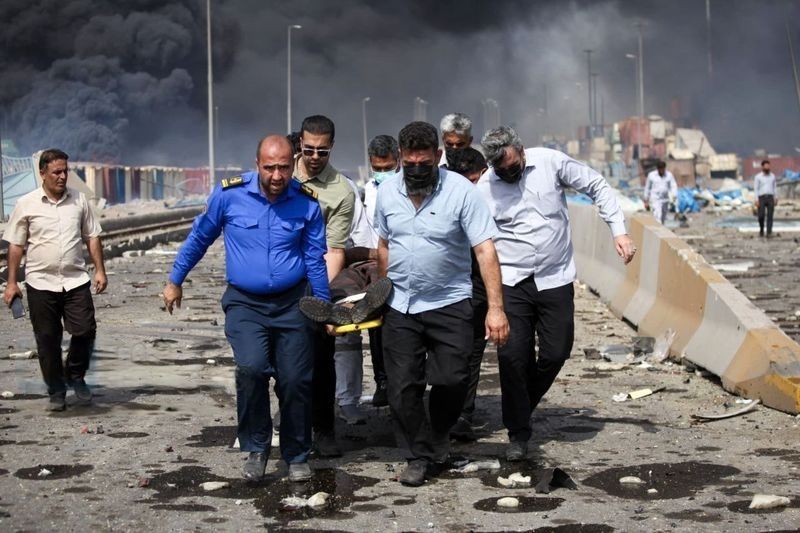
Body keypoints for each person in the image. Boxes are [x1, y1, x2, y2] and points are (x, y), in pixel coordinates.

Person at [162, 135, 329, 483]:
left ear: (293, 164)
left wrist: (324, 308)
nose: (277, 176)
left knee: (295, 380)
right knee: (252, 369)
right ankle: (256, 448)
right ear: (257, 165)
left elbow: (315, 259)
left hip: (293, 303)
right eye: (269, 168)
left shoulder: (307, 203)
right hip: (245, 303)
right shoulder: (229, 195)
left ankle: (297, 454)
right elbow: (199, 237)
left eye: (284, 167)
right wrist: (175, 279)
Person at [478, 126, 636, 461]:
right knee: (512, 357)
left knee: (556, 351)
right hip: (512, 282)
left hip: (555, 278)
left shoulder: (551, 162)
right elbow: (478, 240)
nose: (508, 174)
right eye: (501, 170)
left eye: (512, 166)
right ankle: (518, 432)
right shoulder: (485, 188)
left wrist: (619, 232)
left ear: (522, 151)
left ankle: (522, 406)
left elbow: (596, 185)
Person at [375, 121, 509, 486]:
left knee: (453, 379)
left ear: (437, 156)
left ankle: (437, 435)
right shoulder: (386, 193)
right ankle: (419, 456)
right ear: (400, 158)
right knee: (402, 388)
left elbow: (485, 249)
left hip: (449, 302)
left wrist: (496, 308)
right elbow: (384, 245)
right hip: (400, 304)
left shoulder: (462, 192)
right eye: (410, 163)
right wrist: (380, 292)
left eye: (424, 163)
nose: (417, 169)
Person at [2, 149, 107, 412]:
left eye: (65, 171)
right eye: (56, 172)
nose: (62, 177)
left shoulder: (79, 200)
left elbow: (92, 236)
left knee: (85, 331)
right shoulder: (26, 203)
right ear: (42, 173)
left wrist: (100, 270)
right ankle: (57, 390)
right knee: (47, 339)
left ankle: (75, 375)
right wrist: (12, 283)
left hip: (75, 280)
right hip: (40, 283)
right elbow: (16, 245)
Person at [293, 115, 355, 457]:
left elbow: (334, 251)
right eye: (309, 150)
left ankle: (324, 429)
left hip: (314, 281)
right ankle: (293, 426)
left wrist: (319, 297)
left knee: (320, 359)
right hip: (276, 283)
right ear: (300, 145)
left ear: (331, 148)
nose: (315, 157)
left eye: (323, 151)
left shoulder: (340, 191)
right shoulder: (280, 174)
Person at [444, 147, 489, 440]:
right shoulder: (446, 197)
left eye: (473, 181)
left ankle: (464, 413)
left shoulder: (493, 198)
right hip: (447, 285)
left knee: (472, 350)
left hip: (478, 284)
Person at [754, 159, 778, 238]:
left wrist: (776, 197)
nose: (767, 167)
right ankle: (761, 229)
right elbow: (756, 189)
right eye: (766, 166)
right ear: (762, 167)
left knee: (770, 215)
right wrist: (756, 199)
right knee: (761, 215)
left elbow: (774, 187)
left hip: (770, 197)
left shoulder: (772, 176)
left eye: (768, 166)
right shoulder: (758, 177)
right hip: (761, 197)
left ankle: (769, 232)